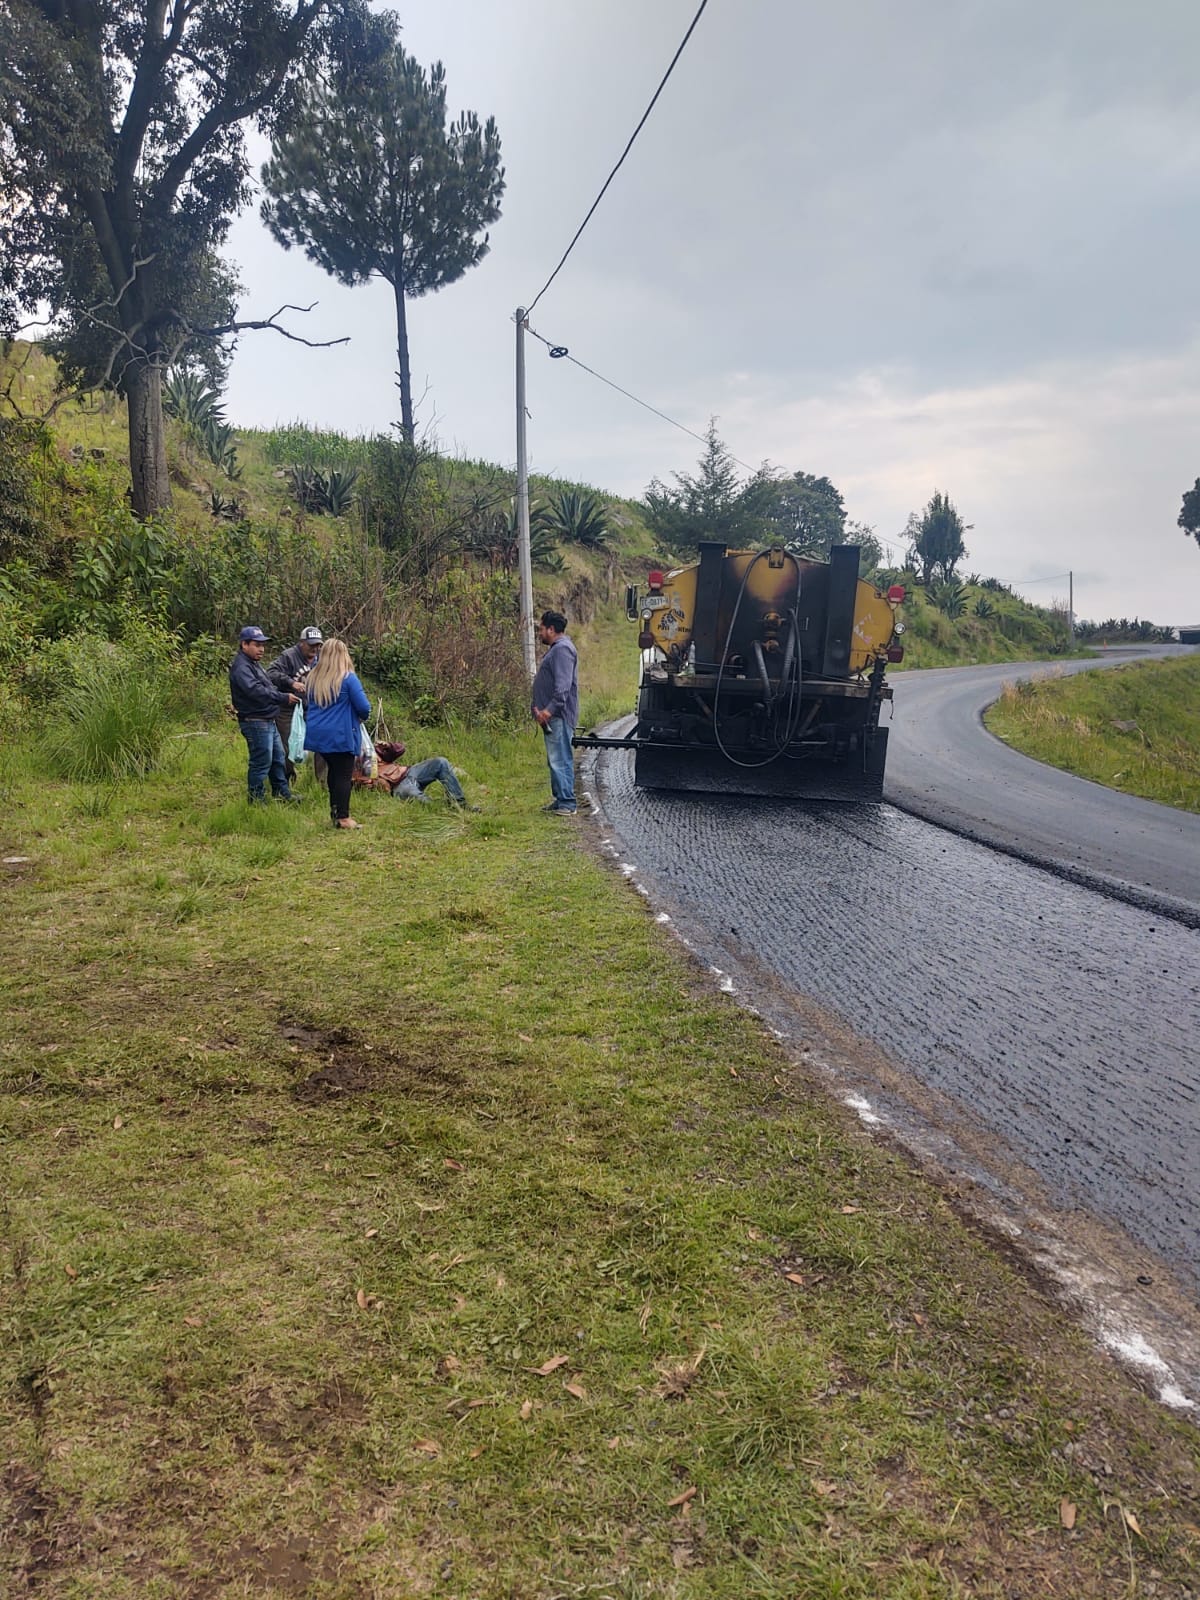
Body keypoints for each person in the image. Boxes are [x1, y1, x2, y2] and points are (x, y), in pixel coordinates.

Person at [303, 637, 371, 830]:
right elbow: (364, 708)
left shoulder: (313, 678)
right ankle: (343, 817)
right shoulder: (348, 679)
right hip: (340, 734)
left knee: (333, 772)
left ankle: (334, 812)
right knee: (343, 775)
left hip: (318, 734)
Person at [228, 625, 300, 804]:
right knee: (261, 761)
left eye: (263, 645)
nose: (261, 649)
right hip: (255, 720)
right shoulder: (241, 667)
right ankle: (256, 799)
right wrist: (282, 698)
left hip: (267, 719)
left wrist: (281, 693)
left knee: (278, 758)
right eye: (256, 644)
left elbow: (268, 685)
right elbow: (256, 691)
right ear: (244, 644)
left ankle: (282, 793)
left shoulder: (254, 664)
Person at [530, 609, 579, 815]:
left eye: (541, 629)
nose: (539, 633)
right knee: (555, 758)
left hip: (558, 716)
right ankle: (560, 800)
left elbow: (563, 687)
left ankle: (567, 803)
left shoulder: (562, 650)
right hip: (552, 717)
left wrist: (548, 711)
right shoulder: (557, 649)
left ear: (551, 629)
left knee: (560, 758)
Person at [267, 626, 322, 780]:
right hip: (288, 708)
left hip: (313, 708)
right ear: (301, 643)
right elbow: (271, 673)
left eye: (318, 645)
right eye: (311, 644)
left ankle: (322, 781)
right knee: (286, 745)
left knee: (322, 741)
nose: (314, 648)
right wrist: (291, 683)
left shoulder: (321, 659)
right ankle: (287, 779)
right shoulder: (289, 656)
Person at [368, 740, 477, 808]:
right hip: (397, 786)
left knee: (440, 762)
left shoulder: (374, 750)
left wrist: (388, 746)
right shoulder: (354, 763)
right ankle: (443, 808)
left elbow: (400, 749)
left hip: (410, 771)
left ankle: (459, 803)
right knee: (415, 795)